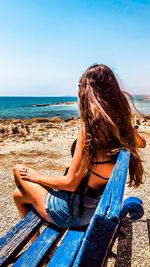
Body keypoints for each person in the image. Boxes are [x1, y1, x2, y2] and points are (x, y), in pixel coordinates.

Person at [13, 64, 146, 230]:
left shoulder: (90, 129)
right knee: (18, 195)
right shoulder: (118, 127)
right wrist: (123, 119)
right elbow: (142, 143)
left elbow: (70, 184)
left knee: (18, 169)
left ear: (87, 92)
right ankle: (42, 250)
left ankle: (46, 248)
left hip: (75, 212)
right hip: (94, 205)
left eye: (80, 87)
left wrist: (36, 176)